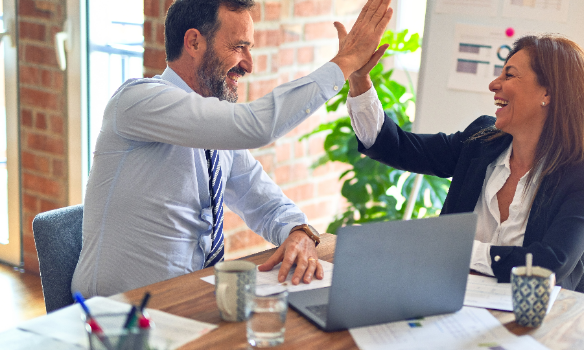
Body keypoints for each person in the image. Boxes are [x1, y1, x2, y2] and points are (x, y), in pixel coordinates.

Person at [72, 0, 393, 298]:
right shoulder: (137, 102)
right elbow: (255, 125)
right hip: (117, 318)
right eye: (239, 47)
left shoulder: (216, 130)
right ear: (194, 42)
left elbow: (265, 204)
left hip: (191, 305)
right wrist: (345, 62)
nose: (249, 65)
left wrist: (299, 230)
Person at [346, 34, 584, 290]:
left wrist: (457, 250)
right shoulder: (480, 142)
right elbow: (397, 147)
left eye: (509, 75)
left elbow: (547, 265)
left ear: (548, 93)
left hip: (533, 322)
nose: (494, 84)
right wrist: (360, 80)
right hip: (450, 302)